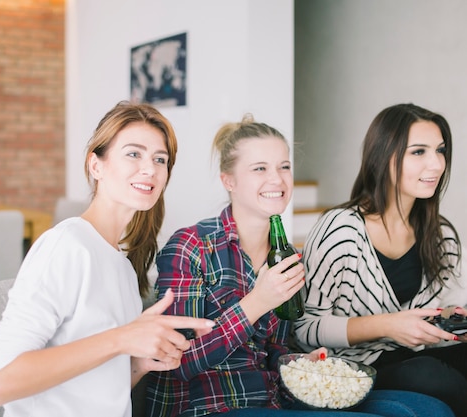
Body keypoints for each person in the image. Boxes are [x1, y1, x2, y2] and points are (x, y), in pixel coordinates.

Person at [145, 113, 454, 417]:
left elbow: (274, 349)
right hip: (210, 406)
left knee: (429, 409)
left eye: (284, 167)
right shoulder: (192, 246)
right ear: (229, 181)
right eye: (259, 168)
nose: (277, 179)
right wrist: (256, 302)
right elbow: (177, 362)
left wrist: (303, 361)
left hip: (274, 399)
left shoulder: (286, 255)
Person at [0, 101, 216, 416]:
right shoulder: (66, 246)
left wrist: (138, 364)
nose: (150, 168)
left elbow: (100, 392)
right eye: (133, 154)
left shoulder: (121, 264)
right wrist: (121, 339)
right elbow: (0, 383)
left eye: (159, 159)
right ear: (97, 166)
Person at [294, 103, 467, 416]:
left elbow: (443, 314)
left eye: (440, 150)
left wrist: (454, 316)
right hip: (351, 368)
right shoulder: (341, 229)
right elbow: (305, 329)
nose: (436, 163)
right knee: (430, 375)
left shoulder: (441, 234)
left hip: (416, 356)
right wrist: (388, 325)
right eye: (419, 152)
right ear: (383, 155)